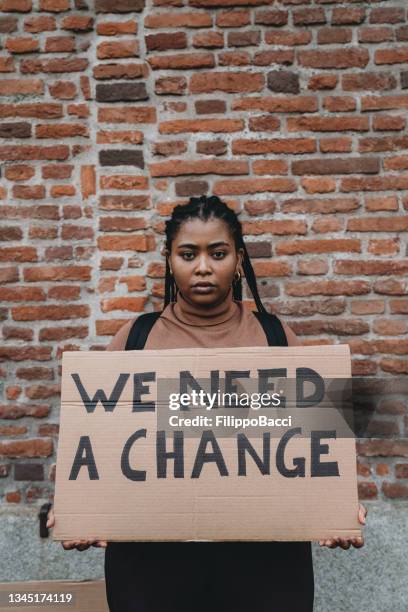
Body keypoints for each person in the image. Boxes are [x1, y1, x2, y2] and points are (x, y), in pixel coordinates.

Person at [47, 195, 367, 611]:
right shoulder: (136, 339)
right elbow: (97, 442)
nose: (202, 267)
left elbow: (319, 442)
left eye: (217, 253)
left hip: (264, 562)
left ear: (238, 259)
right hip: (152, 562)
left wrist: (336, 506)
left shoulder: (275, 336)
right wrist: (80, 509)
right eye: (187, 254)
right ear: (168, 260)